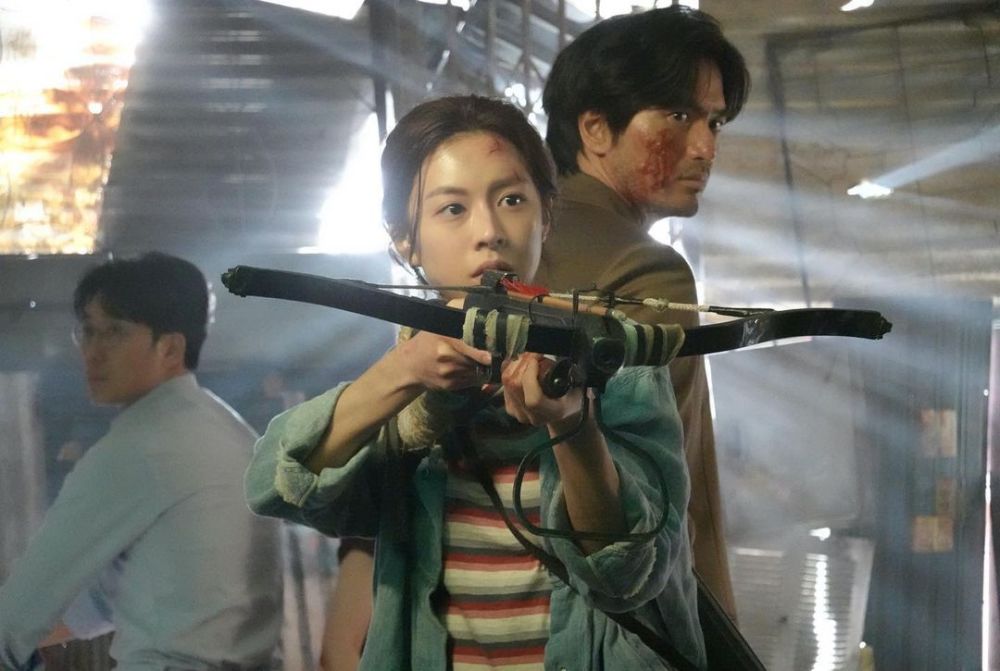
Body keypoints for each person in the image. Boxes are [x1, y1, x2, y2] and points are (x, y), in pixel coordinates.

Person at [244, 95, 706, 669]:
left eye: (512, 200)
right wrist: (405, 373)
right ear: (403, 239)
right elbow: (274, 487)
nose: (490, 232)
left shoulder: (617, 363)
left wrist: (572, 423)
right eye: (452, 209)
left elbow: (626, 576)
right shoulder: (407, 381)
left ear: (546, 217)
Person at [534, 5, 751, 619]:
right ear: (596, 129)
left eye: (714, 122)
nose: (705, 148)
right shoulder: (648, 271)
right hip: (613, 622)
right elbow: (673, 494)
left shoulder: (501, 245)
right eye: (678, 116)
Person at [0, 252, 284, 670]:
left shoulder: (140, 447)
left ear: (170, 348)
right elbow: (125, 595)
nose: (92, 352)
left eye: (114, 332)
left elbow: (19, 611)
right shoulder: (230, 431)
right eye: (88, 331)